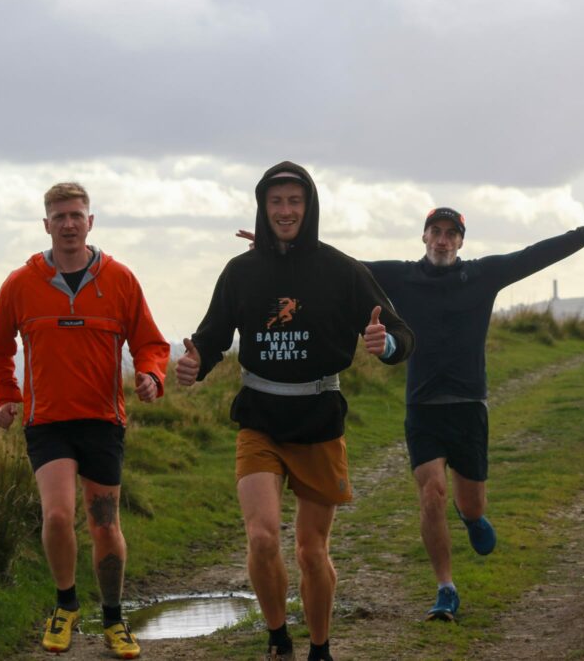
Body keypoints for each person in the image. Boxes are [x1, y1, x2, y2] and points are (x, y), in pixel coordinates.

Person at [240, 202, 584, 622]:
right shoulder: (401, 275)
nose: (443, 240)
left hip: (469, 406)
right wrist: (279, 248)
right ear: (425, 236)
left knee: (470, 503)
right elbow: (339, 267)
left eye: (452, 234)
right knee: (431, 493)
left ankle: (472, 516)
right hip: (422, 406)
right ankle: (445, 587)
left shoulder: (483, 275)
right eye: (437, 232)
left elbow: (540, 253)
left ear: (460, 242)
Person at [176, 161, 415, 661]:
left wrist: (385, 341)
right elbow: (213, 336)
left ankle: (320, 648)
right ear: (263, 208)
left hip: (319, 420)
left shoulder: (342, 270)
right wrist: (195, 363)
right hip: (259, 419)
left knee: (310, 551)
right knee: (262, 537)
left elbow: (402, 335)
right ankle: (278, 637)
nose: (285, 211)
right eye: (276, 201)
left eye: (295, 201)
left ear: (310, 207)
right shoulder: (240, 271)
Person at [0, 182, 169, 659]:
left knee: (104, 523)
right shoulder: (19, 284)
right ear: (46, 225)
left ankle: (113, 618)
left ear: (91, 222)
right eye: (59, 216)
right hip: (47, 423)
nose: (68, 224)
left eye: (76, 215)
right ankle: (65, 606)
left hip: (103, 421)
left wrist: (150, 375)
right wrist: (6, 396)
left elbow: (150, 342)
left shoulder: (120, 279)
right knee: (59, 514)